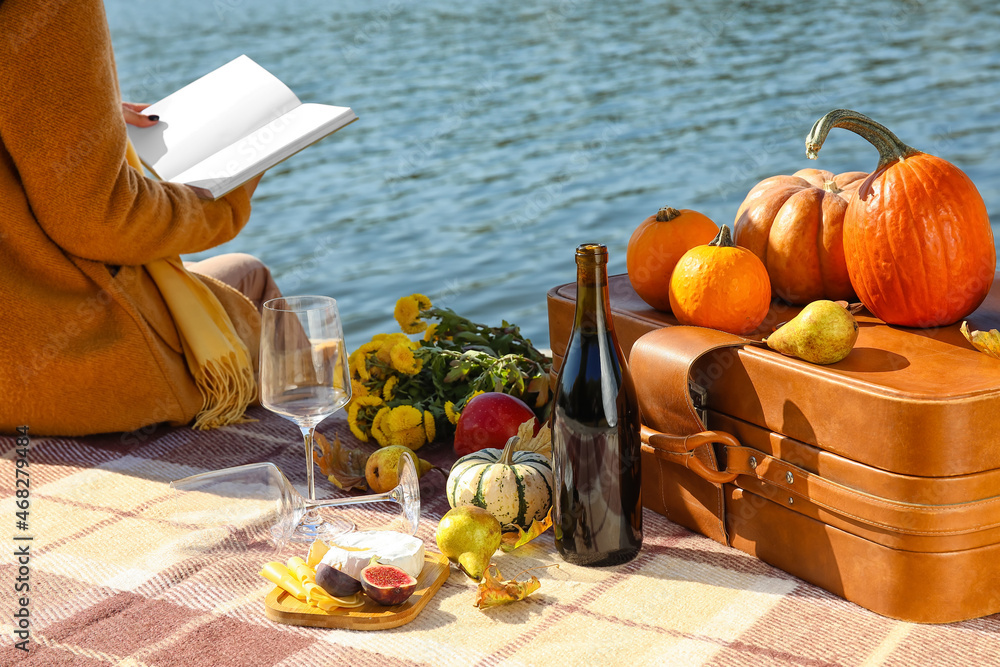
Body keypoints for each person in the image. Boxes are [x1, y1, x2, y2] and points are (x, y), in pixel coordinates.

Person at [0, 0, 282, 436]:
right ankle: (339, 470)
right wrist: (223, 198)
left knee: (243, 273)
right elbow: (100, 218)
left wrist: (93, 115)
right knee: (257, 285)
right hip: (44, 367)